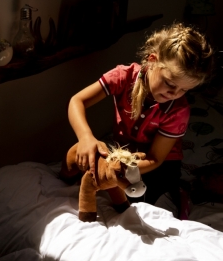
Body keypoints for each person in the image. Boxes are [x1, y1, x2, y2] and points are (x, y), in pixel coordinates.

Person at [67, 22, 215, 209]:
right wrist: (86, 137)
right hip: (123, 152)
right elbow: (76, 101)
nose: (175, 93)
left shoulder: (178, 110)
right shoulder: (123, 77)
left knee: (137, 205)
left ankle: (178, 192)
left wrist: (123, 170)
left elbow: (155, 158)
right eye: (170, 83)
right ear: (152, 60)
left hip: (158, 165)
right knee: (93, 172)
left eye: (184, 90)